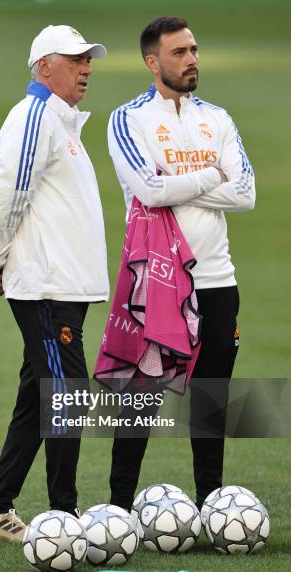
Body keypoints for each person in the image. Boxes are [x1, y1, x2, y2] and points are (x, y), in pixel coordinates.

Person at [0, 25, 109, 542]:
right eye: (75, 59)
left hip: (62, 287)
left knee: (38, 395)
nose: (86, 66)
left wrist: (0, 263)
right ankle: (64, 521)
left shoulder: (61, 124)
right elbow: (9, 190)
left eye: (88, 58)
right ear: (44, 66)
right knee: (66, 393)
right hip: (46, 290)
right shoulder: (35, 116)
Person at [107, 16, 255, 511]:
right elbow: (147, 190)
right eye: (179, 52)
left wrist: (179, 181)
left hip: (217, 278)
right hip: (158, 282)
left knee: (212, 399)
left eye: (194, 49)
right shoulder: (129, 118)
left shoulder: (219, 117)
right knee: (141, 397)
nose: (192, 59)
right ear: (152, 62)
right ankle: (120, 509)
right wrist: (211, 174)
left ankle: (212, 503)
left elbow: (247, 193)